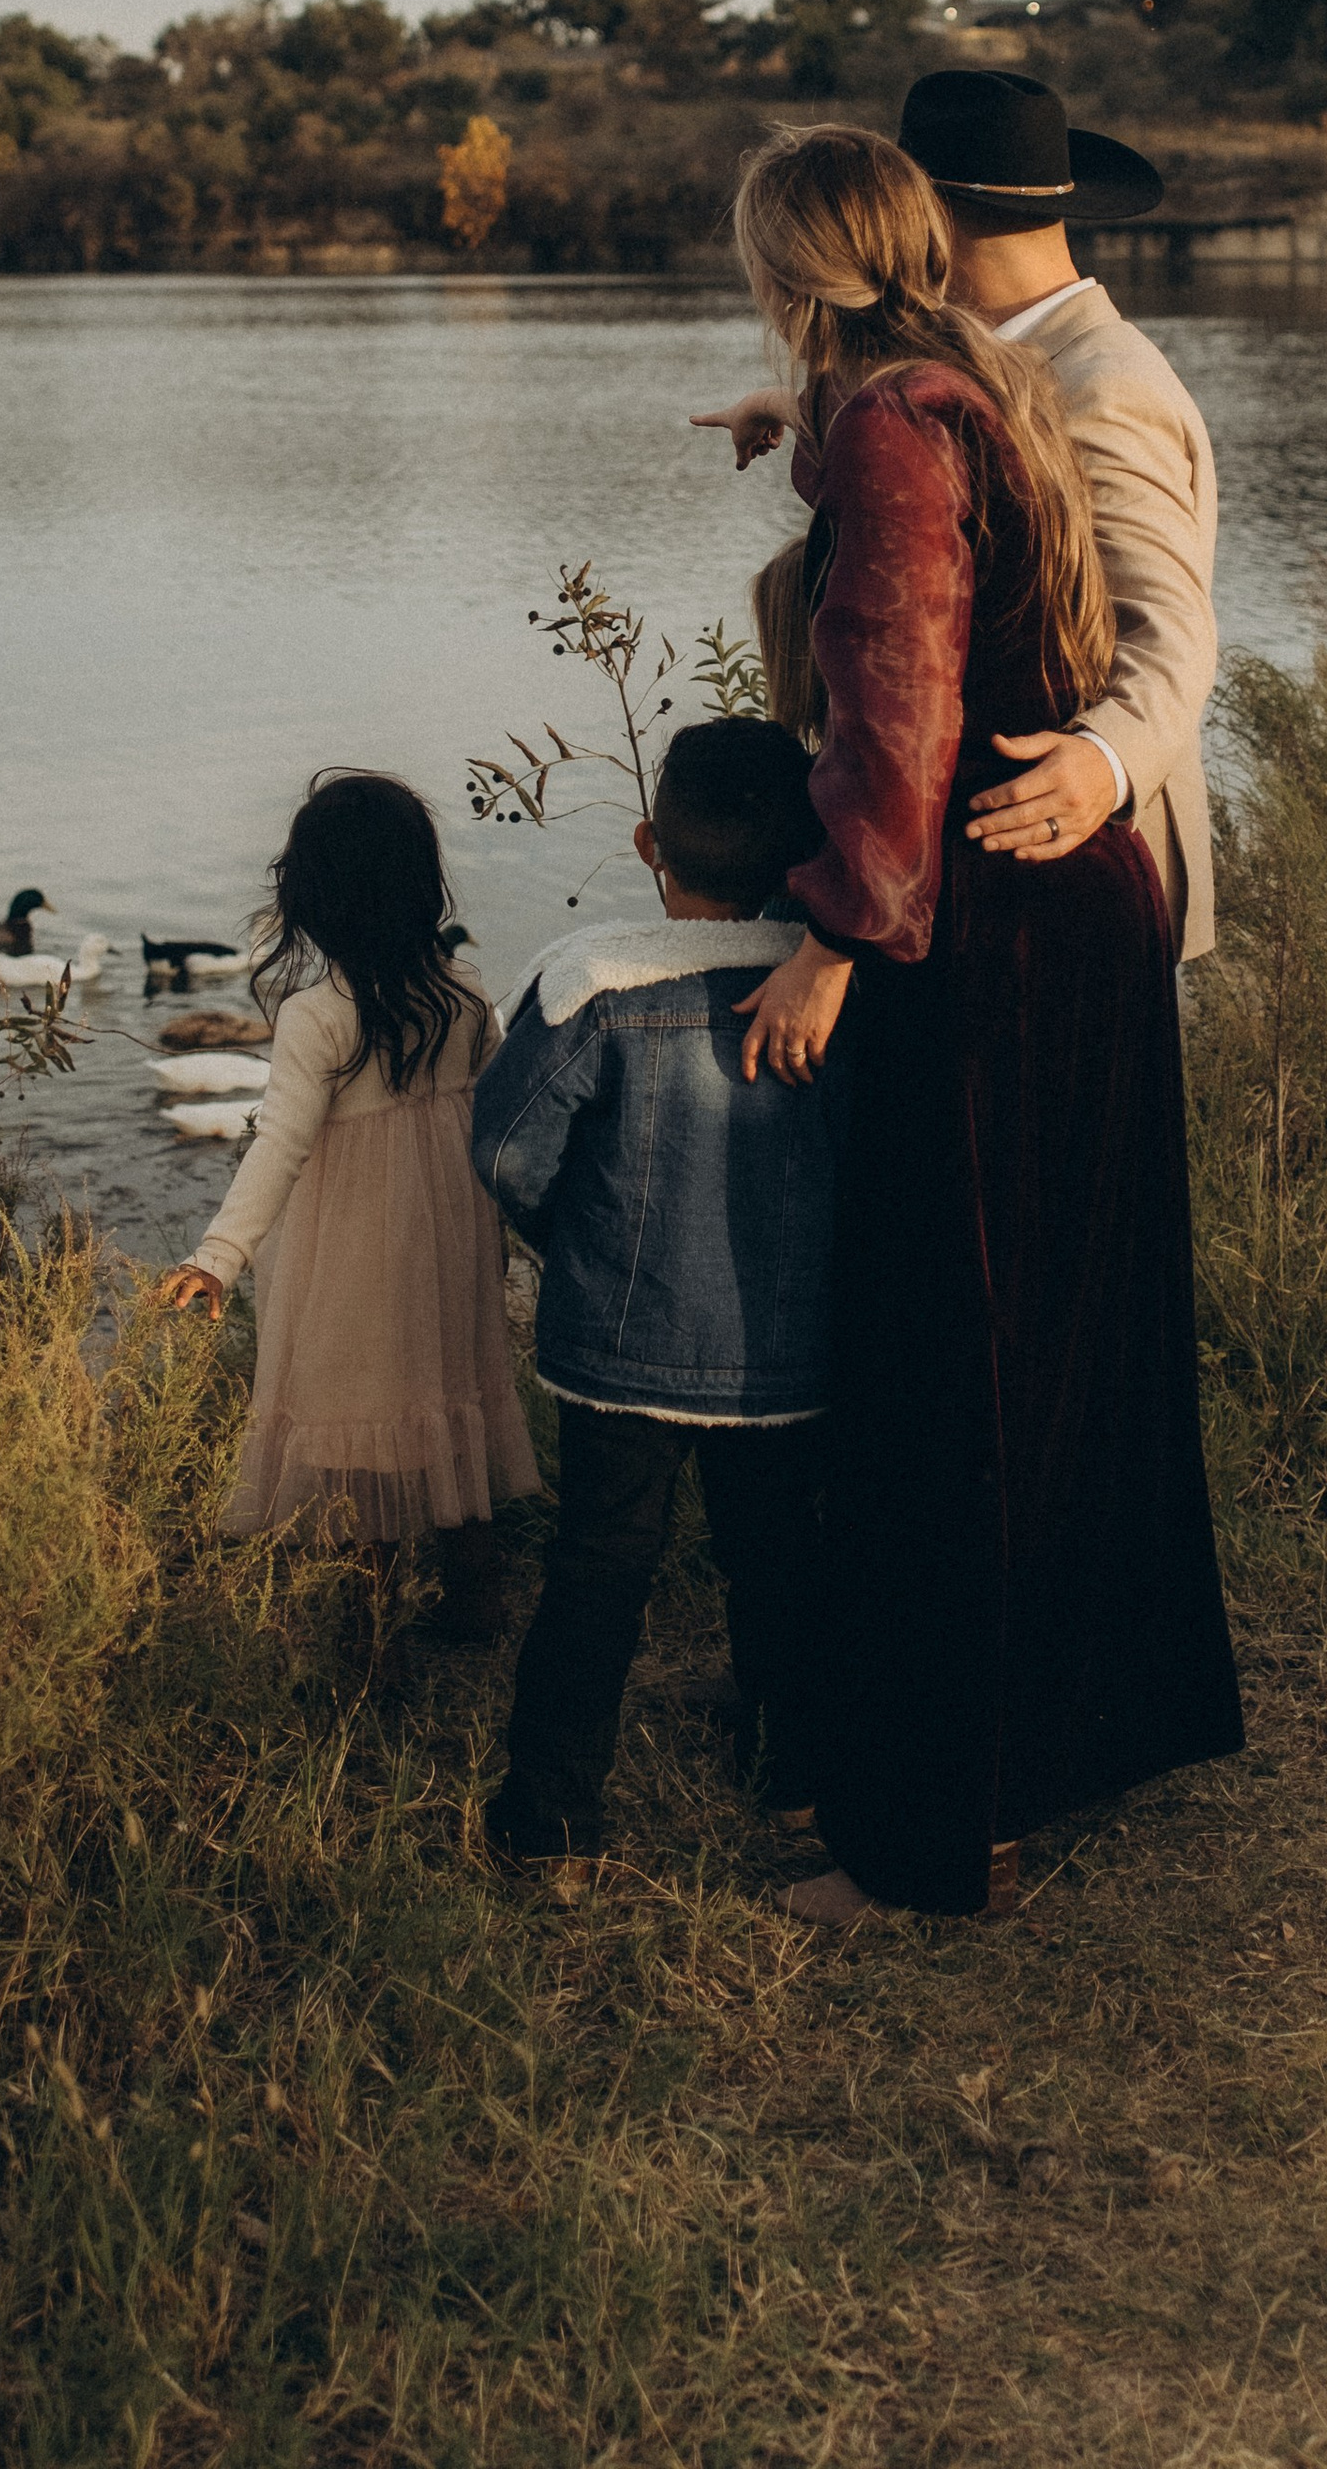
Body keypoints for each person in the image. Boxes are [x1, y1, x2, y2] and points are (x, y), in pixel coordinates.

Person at [706, 126, 1242, 1924]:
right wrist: (798, 447)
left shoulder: (942, 407)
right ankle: (1054, 1744)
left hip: (986, 914)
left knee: (953, 1370)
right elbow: (944, 530)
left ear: (789, 264)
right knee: (1058, 1352)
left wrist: (841, 936)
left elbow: (908, 697)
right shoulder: (981, 376)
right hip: (1064, 918)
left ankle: (942, 1833)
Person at [697, 66, 1218, 962]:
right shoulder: (994, 363)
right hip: (995, 865)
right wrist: (787, 405)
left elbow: (1171, 626)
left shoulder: (1103, 385)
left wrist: (1106, 760)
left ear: (924, 217)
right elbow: (945, 470)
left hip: (1066, 850)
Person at [470, 717, 840, 1891]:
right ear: (803, 860)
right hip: (788, 1359)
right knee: (780, 1566)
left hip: (621, 1349)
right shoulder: (841, 988)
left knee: (597, 1572)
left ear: (646, 844)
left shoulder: (594, 982)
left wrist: (567, 1240)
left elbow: (509, 1150)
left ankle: (552, 1830)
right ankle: (797, 1788)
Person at [154, 769, 540, 1648]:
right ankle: (479, 1607)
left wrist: (217, 1255)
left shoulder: (317, 1017)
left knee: (361, 1427)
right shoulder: (465, 994)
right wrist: (514, 1232)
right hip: (447, 1240)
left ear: (311, 901)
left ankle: (369, 1641)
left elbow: (279, 1146)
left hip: (357, 1253)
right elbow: (504, 1116)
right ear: (419, 887)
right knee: (449, 1393)